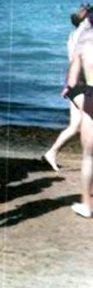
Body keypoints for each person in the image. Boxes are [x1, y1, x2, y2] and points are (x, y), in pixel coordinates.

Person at [45, 8, 91, 171]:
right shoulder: (83, 35)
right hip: (79, 85)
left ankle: (51, 153)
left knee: (76, 125)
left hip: (74, 83)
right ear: (86, 19)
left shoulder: (75, 34)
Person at [63, 14, 93, 218]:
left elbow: (72, 82)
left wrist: (71, 92)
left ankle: (86, 205)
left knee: (89, 157)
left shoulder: (85, 41)